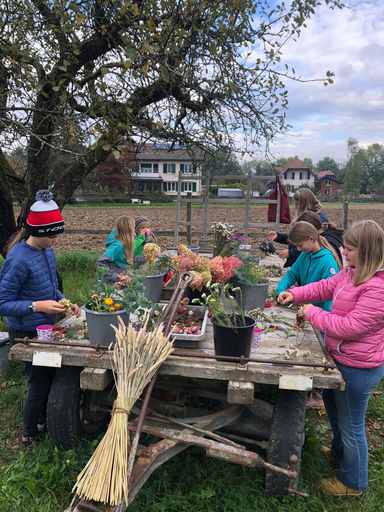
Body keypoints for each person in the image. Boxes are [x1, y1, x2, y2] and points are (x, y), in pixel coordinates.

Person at [277, 220, 384, 496]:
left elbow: (350, 327)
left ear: (368, 251)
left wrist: (311, 313)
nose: (343, 253)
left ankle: (353, 483)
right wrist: (296, 294)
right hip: (342, 358)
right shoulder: (351, 273)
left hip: (358, 367)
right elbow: (323, 288)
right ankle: (340, 455)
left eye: (349, 249)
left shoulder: (377, 288)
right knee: (336, 414)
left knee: (351, 426)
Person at [0, 190, 81, 447]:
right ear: (38, 233)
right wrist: (36, 306)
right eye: (53, 235)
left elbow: (49, 287)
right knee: (38, 383)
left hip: (46, 328)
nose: (56, 240)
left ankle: (44, 422)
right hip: (25, 334)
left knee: (51, 375)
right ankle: (29, 434)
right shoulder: (17, 260)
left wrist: (65, 301)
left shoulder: (47, 251)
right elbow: (3, 304)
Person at [275, 221, 339, 312]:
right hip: (306, 309)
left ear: (311, 239)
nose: (298, 249)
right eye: (296, 246)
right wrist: (281, 291)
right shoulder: (304, 255)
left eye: (300, 245)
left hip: (321, 313)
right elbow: (291, 275)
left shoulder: (327, 261)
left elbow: (331, 292)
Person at [267, 188, 328, 267]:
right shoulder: (308, 217)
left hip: (309, 265)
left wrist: (291, 253)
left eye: (297, 204)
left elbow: (313, 247)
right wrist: (278, 237)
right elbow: (298, 240)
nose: (295, 207)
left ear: (304, 204)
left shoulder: (313, 220)